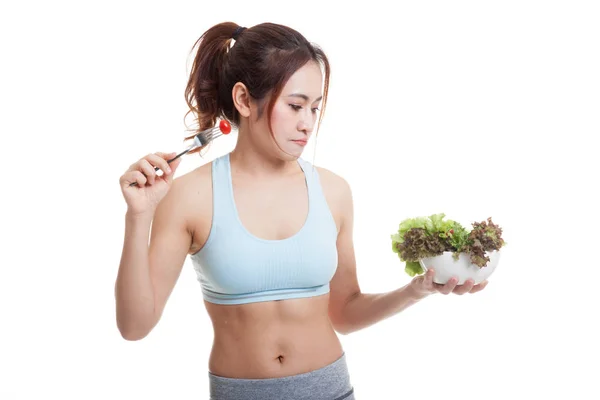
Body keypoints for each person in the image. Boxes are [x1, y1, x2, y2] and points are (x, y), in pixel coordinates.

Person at [114, 21, 488, 400]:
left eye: (315, 107)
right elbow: (134, 326)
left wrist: (416, 290)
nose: (307, 123)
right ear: (244, 100)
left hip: (331, 390)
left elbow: (345, 313)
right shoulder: (190, 196)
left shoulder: (333, 191)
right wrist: (138, 216)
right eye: (295, 106)